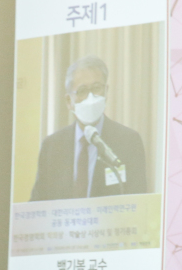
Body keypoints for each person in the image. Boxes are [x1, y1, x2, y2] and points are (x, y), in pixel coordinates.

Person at [30, 55, 148, 201]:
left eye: (97, 88)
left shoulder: (129, 142)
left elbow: (139, 202)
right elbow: (38, 202)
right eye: (82, 91)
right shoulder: (52, 146)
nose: (90, 97)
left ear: (106, 92)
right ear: (69, 101)